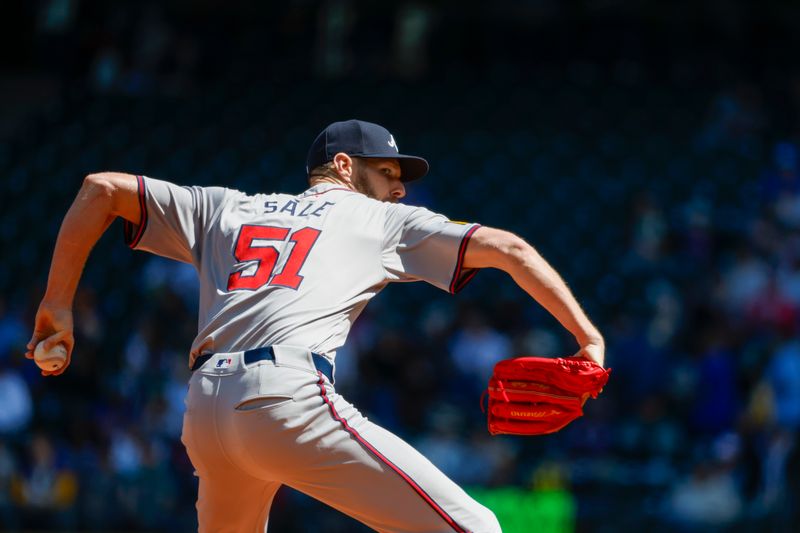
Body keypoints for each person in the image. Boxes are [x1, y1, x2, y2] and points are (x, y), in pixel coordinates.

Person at [27, 119, 605, 532]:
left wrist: (57, 304)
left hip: (204, 412)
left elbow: (100, 189)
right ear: (345, 166)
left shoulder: (227, 206)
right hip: (286, 399)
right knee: (476, 527)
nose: (398, 186)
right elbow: (508, 248)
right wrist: (587, 338)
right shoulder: (377, 217)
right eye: (386, 171)